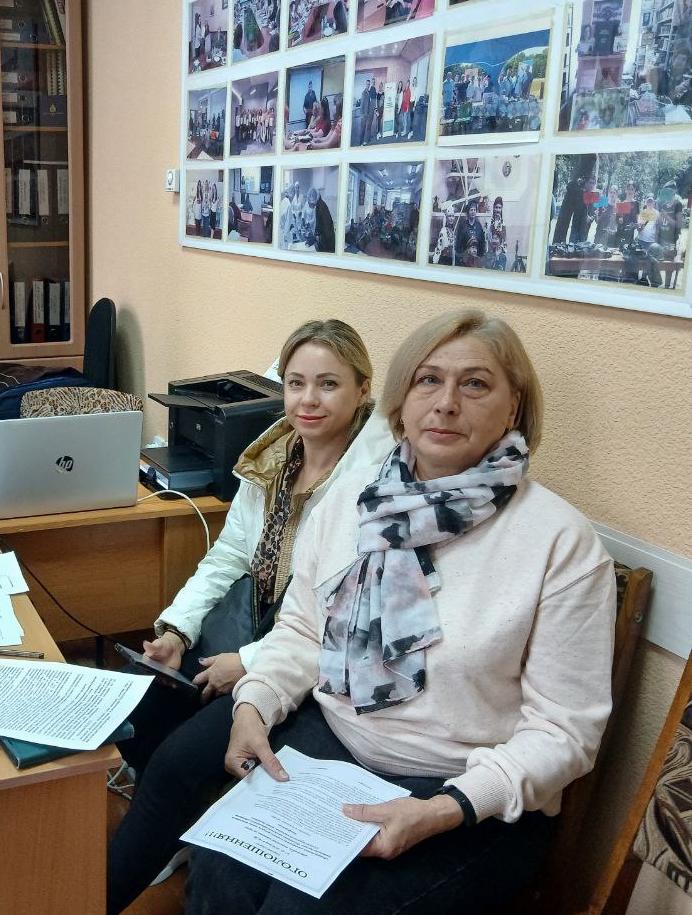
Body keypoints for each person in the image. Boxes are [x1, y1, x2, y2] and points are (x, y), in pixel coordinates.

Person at [113, 309, 616, 915]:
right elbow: (304, 629)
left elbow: (564, 732)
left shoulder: (560, 542)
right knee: (220, 873)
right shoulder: (356, 502)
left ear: (514, 408)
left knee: (299, 907)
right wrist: (254, 704)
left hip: (464, 792)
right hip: (336, 745)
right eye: (428, 380)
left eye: (475, 384)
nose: (446, 403)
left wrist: (445, 808)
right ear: (401, 402)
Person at [109, 322, 395, 898]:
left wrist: (247, 661)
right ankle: (176, 828)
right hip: (259, 634)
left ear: (363, 389)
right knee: (137, 711)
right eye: (295, 383)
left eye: (329, 384)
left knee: (175, 763)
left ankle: (102, 892)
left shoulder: (378, 484)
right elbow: (229, 555)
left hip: (310, 669)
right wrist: (177, 630)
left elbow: (341, 615)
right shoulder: (275, 457)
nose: (308, 400)